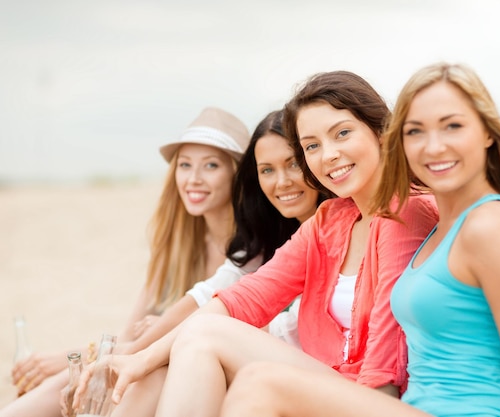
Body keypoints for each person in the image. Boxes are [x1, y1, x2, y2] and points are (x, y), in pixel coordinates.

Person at [73, 70, 439, 417]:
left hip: (375, 399)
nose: (327, 155)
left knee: (204, 335)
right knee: (166, 360)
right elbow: (244, 298)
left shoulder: (406, 211)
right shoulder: (331, 220)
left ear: (380, 131)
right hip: (332, 381)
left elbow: (387, 360)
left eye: (342, 134)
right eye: (312, 146)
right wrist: (141, 358)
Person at [217, 62, 500, 417]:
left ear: (487, 132)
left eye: (453, 126)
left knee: (260, 384)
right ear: (399, 139)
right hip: (419, 408)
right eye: (415, 131)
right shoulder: (441, 226)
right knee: (252, 381)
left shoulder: (489, 225)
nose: (433, 146)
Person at [74, 109, 326, 416]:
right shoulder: (276, 236)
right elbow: (213, 294)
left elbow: (225, 308)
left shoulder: (334, 227)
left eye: (293, 164)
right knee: (164, 360)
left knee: (191, 343)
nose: (282, 181)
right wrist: (141, 350)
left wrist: (159, 344)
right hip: (273, 367)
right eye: (267, 170)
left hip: (317, 381)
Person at [1, 106, 250, 417]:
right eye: (185, 165)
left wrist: (73, 356)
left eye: (211, 165)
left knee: (147, 374)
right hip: (149, 362)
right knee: (68, 380)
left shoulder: (250, 252)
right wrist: (75, 359)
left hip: (209, 378)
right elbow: (130, 335)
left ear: (237, 174)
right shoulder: (178, 244)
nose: (194, 179)